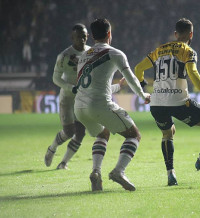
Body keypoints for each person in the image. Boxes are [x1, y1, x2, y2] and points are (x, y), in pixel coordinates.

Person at [135, 18, 200, 186]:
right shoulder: (188, 51)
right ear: (191, 34)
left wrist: (142, 85)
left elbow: (138, 68)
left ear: (175, 34)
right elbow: (193, 73)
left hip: (157, 103)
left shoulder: (158, 50)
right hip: (179, 101)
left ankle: (171, 174)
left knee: (168, 134)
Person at [74, 18, 151, 192]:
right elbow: (131, 77)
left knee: (103, 133)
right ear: (109, 34)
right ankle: (119, 171)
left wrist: (118, 86)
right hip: (99, 105)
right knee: (133, 135)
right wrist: (143, 94)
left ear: (92, 36)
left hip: (79, 108)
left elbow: (91, 86)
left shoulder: (83, 56)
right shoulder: (114, 53)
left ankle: (96, 171)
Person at [44, 23, 90, 169]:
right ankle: (52, 148)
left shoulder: (91, 53)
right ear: (72, 38)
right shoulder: (64, 56)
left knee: (81, 132)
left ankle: (63, 163)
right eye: (78, 37)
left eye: (84, 36)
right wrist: (70, 88)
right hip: (67, 99)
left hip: (82, 99)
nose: (82, 40)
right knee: (69, 132)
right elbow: (56, 78)